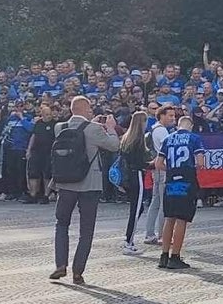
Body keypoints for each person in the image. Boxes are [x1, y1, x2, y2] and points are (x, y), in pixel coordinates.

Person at [50, 95, 121, 285]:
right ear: (85, 109)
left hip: (65, 183)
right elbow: (114, 145)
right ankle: (78, 271)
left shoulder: (60, 128)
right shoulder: (94, 129)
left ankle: (60, 264)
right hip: (89, 184)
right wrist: (111, 129)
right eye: (89, 109)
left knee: (61, 224)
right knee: (86, 230)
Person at [156, 115, 204, 270]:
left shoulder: (168, 139)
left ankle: (164, 255)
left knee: (169, 218)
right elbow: (201, 162)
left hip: (170, 181)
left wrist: (170, 170)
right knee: (182, 219)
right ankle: (175, 256)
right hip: (186, 181)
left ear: (178, 126)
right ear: (190, 126)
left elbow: (158, 163)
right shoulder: (194, 138)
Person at [116, 111, 149, 255]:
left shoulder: (126, 138)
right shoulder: (138, 140)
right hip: (137, 175)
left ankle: (129, 240)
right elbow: (140, 162)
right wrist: (152, 164)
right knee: (136, 210)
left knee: (137, 208)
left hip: (129, 176)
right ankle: (128, 241)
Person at [142, 105, 176, 245]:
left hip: (156, 170)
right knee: (163, 203)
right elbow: (167, 149)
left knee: (155, 202)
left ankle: (150, 233)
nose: (173, 118)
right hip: (162, 170)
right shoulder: (161, 131)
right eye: (170, 116)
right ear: (161, 116)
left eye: (174, 116)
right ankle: (163, 235)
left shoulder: (155, 128)